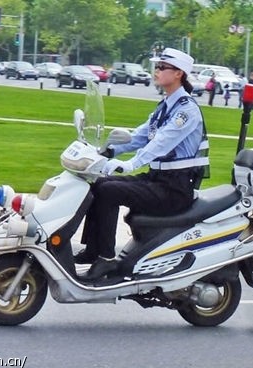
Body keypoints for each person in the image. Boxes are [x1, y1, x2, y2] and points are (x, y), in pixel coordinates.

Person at [75, 47, 210, 281]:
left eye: (162, 67)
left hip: (175, 188)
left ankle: (107, 259)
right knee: (98, 184)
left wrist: (131, 164)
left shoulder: (186, 111)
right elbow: (139, 136)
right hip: (157, 180)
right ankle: (94, 250)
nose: (156, 71)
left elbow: (161, 142)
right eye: (156, 67)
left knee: (108, 191)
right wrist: (108, 150)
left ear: (179, 73)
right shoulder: (165, 106)